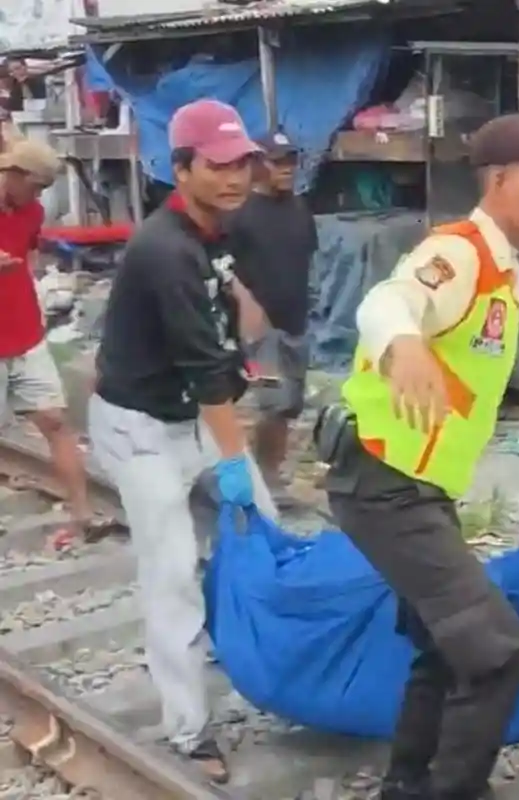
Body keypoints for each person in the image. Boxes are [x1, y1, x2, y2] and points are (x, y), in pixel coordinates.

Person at [328, 114, 519, 800]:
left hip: (417, 489)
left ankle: (408, 783)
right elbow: (388, 299)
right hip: (385, 481)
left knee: (447, 646)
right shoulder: (461, 252)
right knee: (497, 654)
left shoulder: (502, 268)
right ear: (503, 180)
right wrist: (405, 342)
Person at [87, 99, 277, 782]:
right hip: (142, 428)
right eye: (219, 165)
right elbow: (202, 373)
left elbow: (223, 322)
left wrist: (243, 354)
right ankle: (189, 728)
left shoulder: (216, 231)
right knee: (171, 573)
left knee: (263, 533)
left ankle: (256, 659)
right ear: (182, 168)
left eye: (242, 164)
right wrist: (231, 457)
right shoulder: (162, 248)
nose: (235, 177)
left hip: (195, 412)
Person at [0, 139, 109, 548]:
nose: (41, 195)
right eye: (38, 185)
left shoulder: (32, 212)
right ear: (14, 174)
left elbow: (28, 256)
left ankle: (83, 511)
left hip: (26, 333)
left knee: (56, 422)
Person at [224, 130, 318, 505]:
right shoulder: (239, 213)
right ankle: (253, 478)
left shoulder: (298, 208)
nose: (286, 169)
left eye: (291, 161)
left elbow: (307, 257)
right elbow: (220, 266)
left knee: (288, 404)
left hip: (293, 319)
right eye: (277, 161)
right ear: (256, 165)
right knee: (272, 400)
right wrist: (245, 306)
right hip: (256, 328)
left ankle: (270, 475)